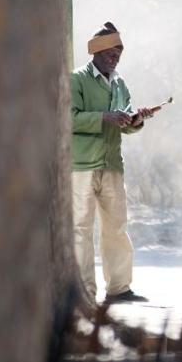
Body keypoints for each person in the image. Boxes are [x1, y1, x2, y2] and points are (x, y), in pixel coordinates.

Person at [71, 22, 155, 304]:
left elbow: (126, 123)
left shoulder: (119, 82)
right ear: (95, 52)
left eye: (118, 54)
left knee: (116, 227)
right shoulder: (77, 80)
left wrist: (137, 119)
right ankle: (84, 292)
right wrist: (105, 117)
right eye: (110, 53)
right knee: (80, 229)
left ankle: (119, 289)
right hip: (81, 166)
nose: (115, 58)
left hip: (112, 164)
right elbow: (67, 118)